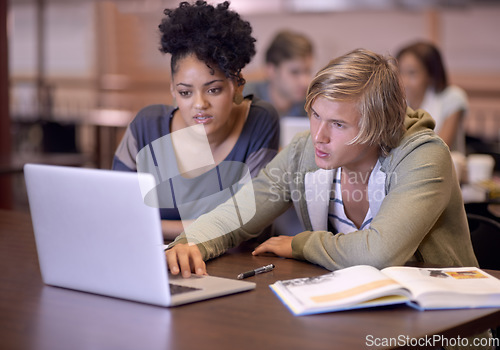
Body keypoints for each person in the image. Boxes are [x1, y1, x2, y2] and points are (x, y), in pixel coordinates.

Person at [165, 48, 478, 279]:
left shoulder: (423, 155)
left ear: (378, 127)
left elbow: (379, 254)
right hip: (351, 314)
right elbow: (238, 212)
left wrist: (302, 244)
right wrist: (188, 243)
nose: (319, 136)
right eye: (315, 115)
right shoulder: (304, 151)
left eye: (338, 124)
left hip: (445, 327)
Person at [112, 1, 279, 240]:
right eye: (185, 92)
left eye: (213, 90)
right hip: (159, 265)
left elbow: (250, 221)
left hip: (236, 268)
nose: (199, 104)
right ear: (172, 89)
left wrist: (155, 228)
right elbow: (118, 212)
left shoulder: (260, 121)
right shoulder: (146, 127)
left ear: (238, 84)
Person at [396, 41, 469, 154]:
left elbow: (440, 147)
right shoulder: (398, 102)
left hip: (444, 168)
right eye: (400, 72)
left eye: (412, 73)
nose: (404, 81)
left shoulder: (452, 98)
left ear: (431, 75)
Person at [244, 30, 314, 117]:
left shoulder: (312, 105)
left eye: (307, 71)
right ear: (271, 70)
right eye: (294, 72)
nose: (305, 82)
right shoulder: (244, 99)